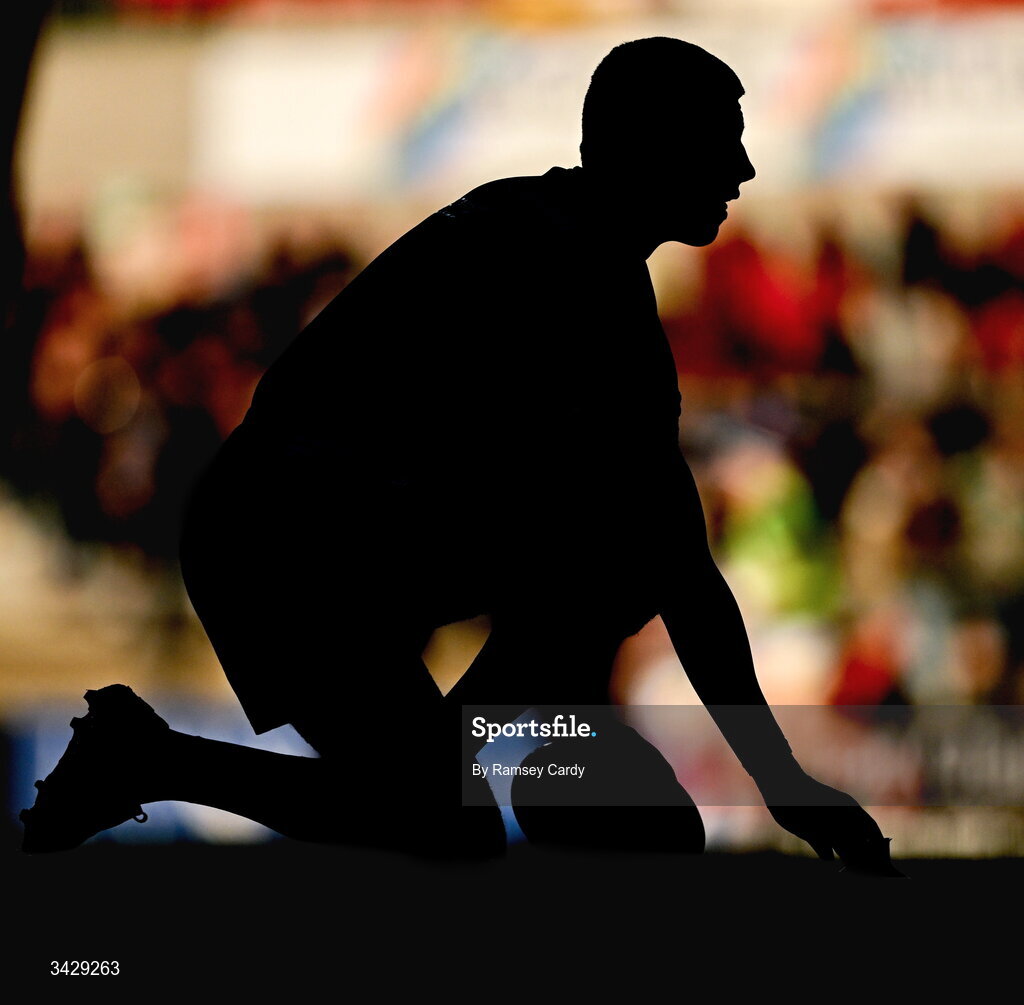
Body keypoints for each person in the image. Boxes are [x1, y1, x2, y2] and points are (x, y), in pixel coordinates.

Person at [21, 37, 902, 875]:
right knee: (456, 792)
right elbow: (671, 566)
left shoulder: (556, 239)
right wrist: (781, 784)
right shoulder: (571, 276)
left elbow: (649, 553)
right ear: (652, 147)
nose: (743, 172)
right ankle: (163, 759)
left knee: (459, 790)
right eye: (723, 145)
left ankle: (480, 756)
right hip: (291, 541)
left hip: (306, 534)